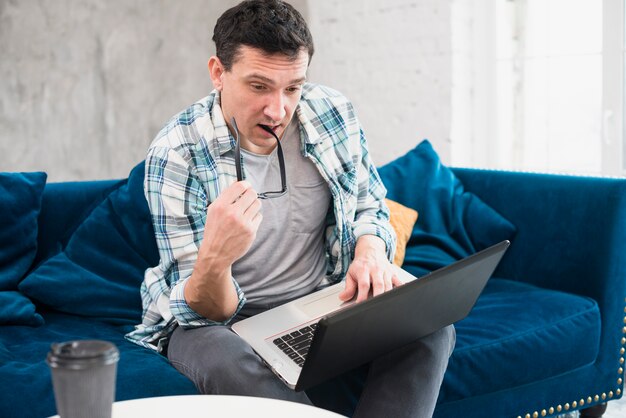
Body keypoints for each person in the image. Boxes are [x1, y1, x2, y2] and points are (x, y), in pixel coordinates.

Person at [126, 1, 455, 417]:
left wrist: (370, 253)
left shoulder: (333, 113)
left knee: (431, 323)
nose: (278, 110)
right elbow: (201, 308)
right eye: (259, 86)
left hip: (321, 301)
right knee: (222, 356)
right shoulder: (177, 154)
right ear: (218, 73)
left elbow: (370, 206)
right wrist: (215, 256)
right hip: (219, 322)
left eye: (292, 87)